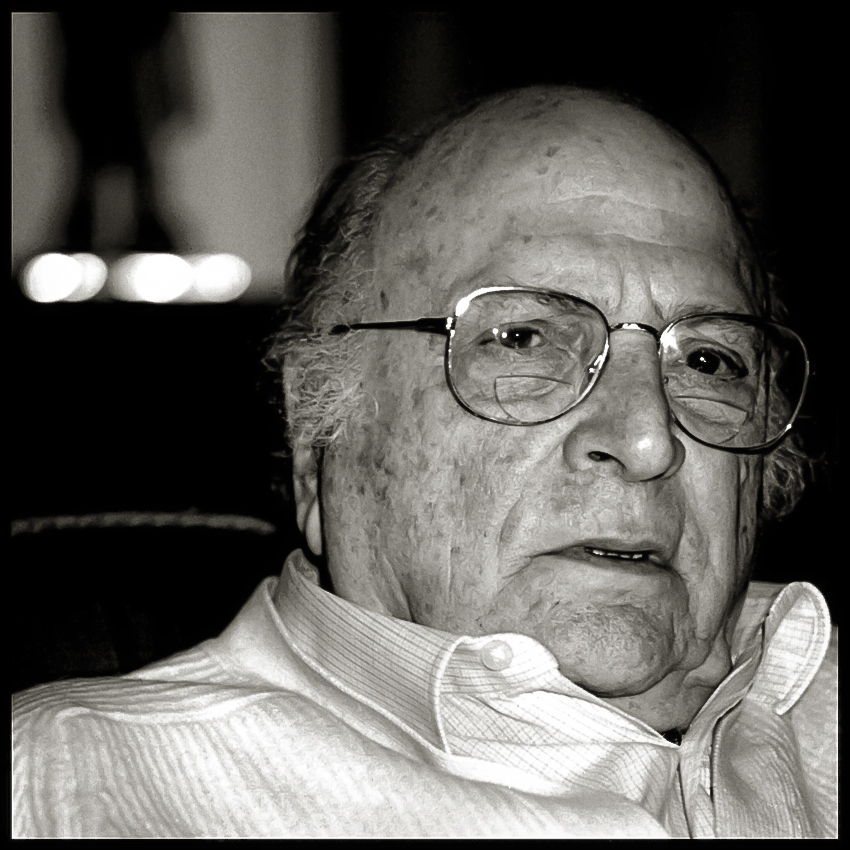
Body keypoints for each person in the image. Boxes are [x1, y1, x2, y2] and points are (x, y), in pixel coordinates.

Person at [12, 86, 837, 838]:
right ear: (317, 435)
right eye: (522, 338)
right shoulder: (64, 787)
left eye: (709, 362)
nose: (649, 439)